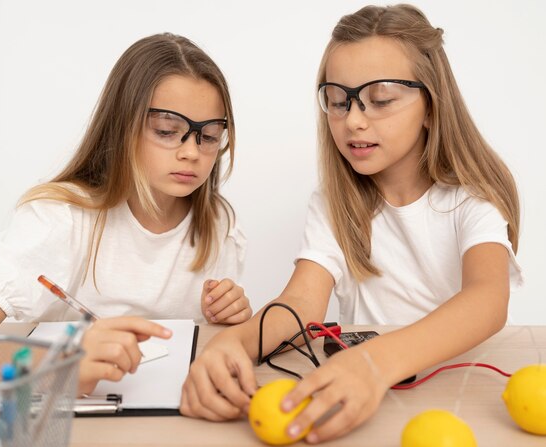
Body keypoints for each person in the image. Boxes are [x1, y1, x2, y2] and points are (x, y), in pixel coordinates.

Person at [180, 4, 522, 443]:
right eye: (339, 101)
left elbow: (488, 300)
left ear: (432, 105)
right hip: (367, 404)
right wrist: (233, 345)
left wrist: (375, 363)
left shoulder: (470, 200)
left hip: (456, 398)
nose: (354, 120)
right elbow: (302, 303)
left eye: (380, 100)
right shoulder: (333, 203)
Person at [0, 33, 251, 394]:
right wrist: (57, 365)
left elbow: (209, 346)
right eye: (167, 131)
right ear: (122, 125)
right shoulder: (59, 218)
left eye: (208, 135)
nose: (192, 152)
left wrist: (230, 317)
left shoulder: (218, 223)